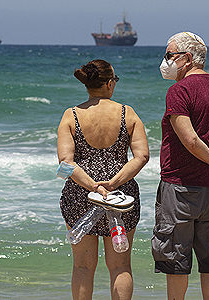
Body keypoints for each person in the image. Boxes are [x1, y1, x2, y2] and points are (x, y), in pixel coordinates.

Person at [152, 32, 209, 300]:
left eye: (169, 55)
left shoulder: (178, 91)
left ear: (187, 59)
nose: (165, 61)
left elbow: (190, 139)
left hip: (180, 188)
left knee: (175, 259)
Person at [57, 59, 149, 300]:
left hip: (80, 196)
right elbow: (142, 157)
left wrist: (93, 186)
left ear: (87, 85)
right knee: (120, 266)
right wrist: (112, 184)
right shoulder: (127, 113)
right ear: (109, 83)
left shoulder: (72, 115)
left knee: (82, 266)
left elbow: (65, 165)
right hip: (120, 197)